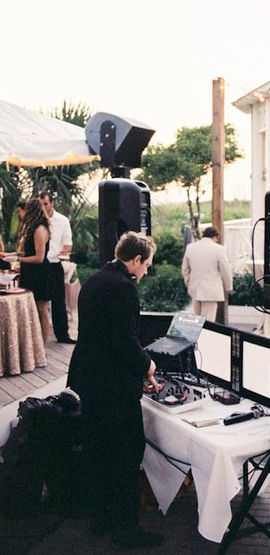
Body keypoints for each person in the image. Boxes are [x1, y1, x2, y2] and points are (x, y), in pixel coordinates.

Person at [67, 231, 164, 550]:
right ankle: (126, 529)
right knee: (127, 453)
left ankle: (102, 518)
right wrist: (148, 367)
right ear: (135, 259)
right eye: (147, 264)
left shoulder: (96, 279)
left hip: (89, 378)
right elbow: (125, 340)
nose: (146, 270)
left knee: (100, 449)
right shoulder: (123, 288)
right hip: (113, 386)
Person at [39, 192, 75, 344]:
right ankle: (38, 336)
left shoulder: (62, 220)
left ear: (52, 203)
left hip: (54, 263)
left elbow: (68, 243)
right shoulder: (37, 221)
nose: (43, 207)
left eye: (45, 204)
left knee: (58, 301)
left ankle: (62, 335)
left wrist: (62, 252)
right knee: (40, 302)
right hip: (39, 265)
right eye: (40, 205)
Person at [181, 225, 233, 322]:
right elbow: (226, 269)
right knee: (208, 321)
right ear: (215, 237)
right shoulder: (219, 249)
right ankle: (204, 337)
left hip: (195, 289)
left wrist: (188, 282)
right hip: (211, 291)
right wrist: (228, 286)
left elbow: (185, 268)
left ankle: (199, 336)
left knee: (197, 320)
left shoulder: (191, 247)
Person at [18, 199, 51, 344]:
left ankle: (43, 344)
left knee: (42, 308)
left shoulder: (40, 230)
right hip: (31, 273)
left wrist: (20, 261)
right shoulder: (32, 228)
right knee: (34, 308)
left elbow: (39, 257)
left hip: (40, 273)